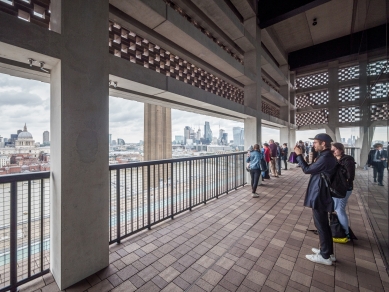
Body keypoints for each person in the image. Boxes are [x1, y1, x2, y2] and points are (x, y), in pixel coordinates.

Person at [294, 133, 337, 265]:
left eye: (315, 143)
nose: (313, 145)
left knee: (321, 225)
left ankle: (325, 256)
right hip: (322, 193)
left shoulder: (325, 158)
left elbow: (307, 170)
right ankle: (327, 252)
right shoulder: (326, 156)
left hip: (319, 194)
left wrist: (299, 155)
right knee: (323, 224)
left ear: (323, 143)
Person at [331, 142, 356, 240]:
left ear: (341, 149)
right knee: (338, 209)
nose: (333, 151)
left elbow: (350, 176)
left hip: (343, 189)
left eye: (335, 149)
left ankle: (346, 233)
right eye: (332, 150)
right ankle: (342, 231)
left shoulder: (347, 160)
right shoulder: (333, 159)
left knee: (339, 210)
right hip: (336, 188)